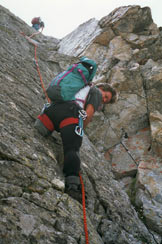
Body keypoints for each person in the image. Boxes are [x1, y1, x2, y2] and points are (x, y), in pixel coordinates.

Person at [36, 82, 117, 202]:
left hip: (52, 110)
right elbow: (87, 115)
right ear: (101, 88)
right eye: (105, 96)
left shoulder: (80, 86)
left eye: (106, 100)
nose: (103, 100)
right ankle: (72, 186)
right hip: (70, 113)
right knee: (72, 148)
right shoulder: (96, 92)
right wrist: (79, 129)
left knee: (41, 131)